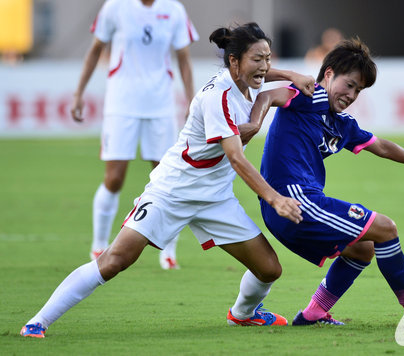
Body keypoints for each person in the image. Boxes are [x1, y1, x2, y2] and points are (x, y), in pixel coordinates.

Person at [20, 22, 316, 338]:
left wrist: (290, 75)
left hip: (215, 195)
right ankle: (38, 321)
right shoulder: (218, 96)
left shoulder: (248, 79)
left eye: (267, 58)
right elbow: (236, 158)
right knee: (115, 260)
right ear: (234, 61)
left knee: (269, 269)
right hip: (172, 190)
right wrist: (274, 198)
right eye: (257, 58)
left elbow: (263, 79)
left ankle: (243, 314)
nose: (265, 66)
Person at [247, 37, 404, 326]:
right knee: (386, 228)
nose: (352, 94)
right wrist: (253, 124)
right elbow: (267, 96)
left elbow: (383, 147)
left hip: (294, 206)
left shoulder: (343, 124)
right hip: (291, 200)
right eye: (349, 84)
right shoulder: (308, 95)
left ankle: (313, 314)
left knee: (362, 248)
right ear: (328, 74)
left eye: (359, 90)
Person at [70, 0, 199, 270]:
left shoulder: (173, 9)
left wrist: (191, 101)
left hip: (161, 105)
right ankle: (98, 245)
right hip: (121, 104)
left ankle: (168, 252)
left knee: (167, 180)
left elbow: (184, 60)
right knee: (114, 178)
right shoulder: (115, 7)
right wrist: (78, 92)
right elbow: (95, 50)